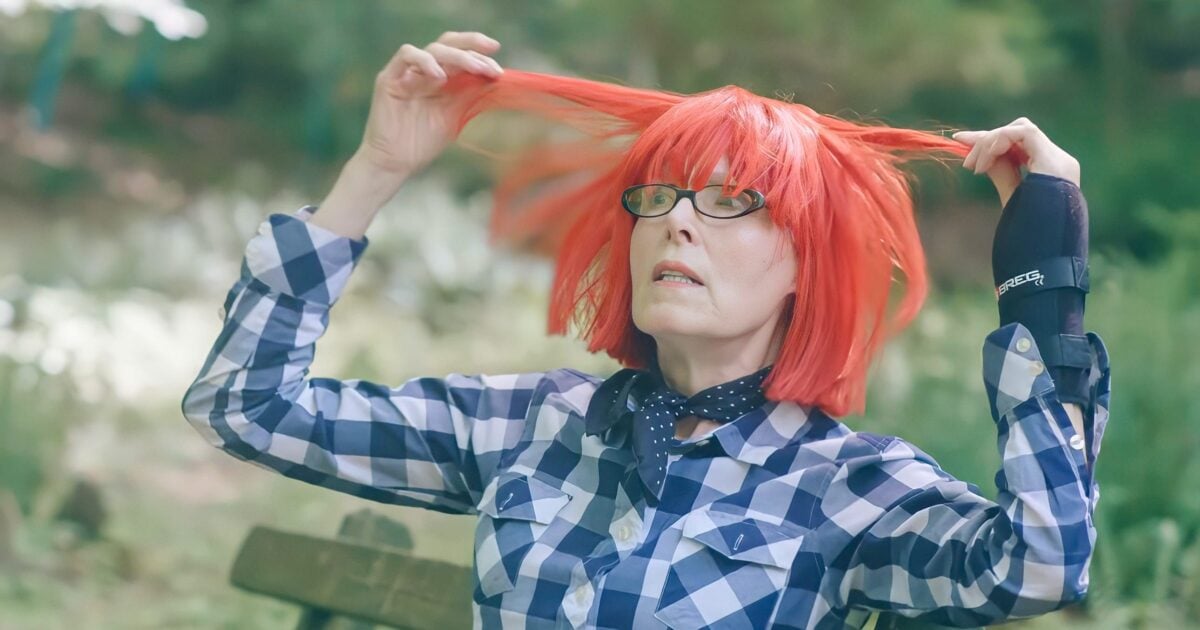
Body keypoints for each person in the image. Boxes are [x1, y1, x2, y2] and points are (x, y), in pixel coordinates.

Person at [180, 30, 1110, 629]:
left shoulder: (849, 488)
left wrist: (1044, 290)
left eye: (731, 201)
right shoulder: (533, 425)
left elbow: (1042, 562)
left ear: (807, 263)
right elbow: (246, 407)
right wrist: (377, 169)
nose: (677, 222)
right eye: (659, 196)